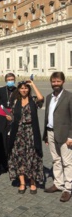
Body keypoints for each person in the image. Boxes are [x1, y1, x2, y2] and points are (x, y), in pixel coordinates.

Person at [6, 80, 44, 194]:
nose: (24, 90)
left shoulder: (33, 100)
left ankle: (32, 182)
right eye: (22, 88)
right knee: (19, 156)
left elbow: (41, 98)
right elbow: (10, 115)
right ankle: (22, 182)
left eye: (26, 88)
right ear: (18, 89)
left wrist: (33, 84)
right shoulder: (15, 101)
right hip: (18, 132)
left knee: (32, 156)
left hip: (31, 131)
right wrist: (9, 117)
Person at [43, 72, 72, 202]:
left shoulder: (69, 96)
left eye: (58, 82)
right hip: (50, 132)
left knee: (67, 162)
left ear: (63, 82)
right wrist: (45, 135)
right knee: (56, 159)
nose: (55, 84)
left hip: (65, 134)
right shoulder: (49, 97)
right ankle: (58, 183)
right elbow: (47, 117)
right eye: (53, 82)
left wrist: (71, 136)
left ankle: (68, 188)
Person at [0, 73, 16, 172]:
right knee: (1, 139)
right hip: (1, 118)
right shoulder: (0, 90)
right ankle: (0, 161)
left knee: (10, 139)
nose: (10, 81)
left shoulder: (17, 91)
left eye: (12, 79)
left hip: (12, 118)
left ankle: (9, 161)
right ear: (6, 80)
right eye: (9, 79)